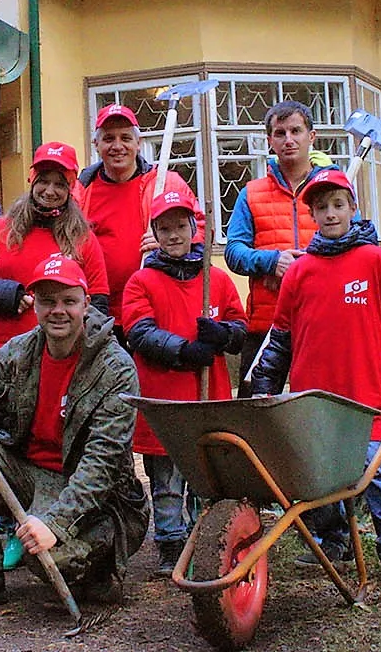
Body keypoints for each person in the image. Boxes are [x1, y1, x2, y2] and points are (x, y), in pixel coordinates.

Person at [249, 169, 381, 585]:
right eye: (321, 207)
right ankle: (332, 539)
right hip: (314, 400)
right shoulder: (299, 273)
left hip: (363, 399)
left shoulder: (377, 263)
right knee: (317, 475)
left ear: (353, 209)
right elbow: (279, 341)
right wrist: (264, 385)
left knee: (376, 477)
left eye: (338, 205)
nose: (330, 213)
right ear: (312, 215)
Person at [0, 255, 150, 618]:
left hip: (100, 501)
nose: (57, 311)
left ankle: (98, 570)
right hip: (29, 476)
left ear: (85, 304)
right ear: (34, 305)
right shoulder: (18, 353)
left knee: (45, 558)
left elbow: (102, 465)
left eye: (68, 301)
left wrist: (54, 525)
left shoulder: (115, 367)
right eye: (47, 301)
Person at [121, 188, 247, 577]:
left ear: (194, 228)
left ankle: (203, 541)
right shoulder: (141, 281)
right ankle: (170, 544)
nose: (174, 234)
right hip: (166, 403)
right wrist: (183, 350)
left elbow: (240, 327)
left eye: (181, 226)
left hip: (208, 401)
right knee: (167, 481)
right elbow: (138, 332)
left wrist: (222, 335)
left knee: (207, 476)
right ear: (154, 234)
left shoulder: (217, 281)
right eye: (165, 228)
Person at [0, 142, 110, 370]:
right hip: (5, 357)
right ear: (32, 181)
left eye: (59, 184)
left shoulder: (83, 237)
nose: (49, 191)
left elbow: (98, 300)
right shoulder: (3, 228)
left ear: (70, 188)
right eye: (43, 181)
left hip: (62, 361)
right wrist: (8, 295)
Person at [223, 100, 335, 382]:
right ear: (269, 140)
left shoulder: (332, 194)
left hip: (320, 321)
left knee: (314, 409)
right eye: (280, 133)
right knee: (255, 410)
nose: (289, 140)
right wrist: (273, 261)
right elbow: (234, 252)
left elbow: (356, 245)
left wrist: (313, 263)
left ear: (311, 136)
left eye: (296, 131)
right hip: (266, 324)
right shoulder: (251, 193)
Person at [73, 104, 204, 324]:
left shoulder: (167, 184)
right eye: (108, 139)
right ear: (96, 145)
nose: (117, 146)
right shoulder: (80, 192)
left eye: (125, 137)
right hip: (96, 314)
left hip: (154, 309)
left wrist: (173, 241)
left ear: (138, 143)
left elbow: (201, 230)